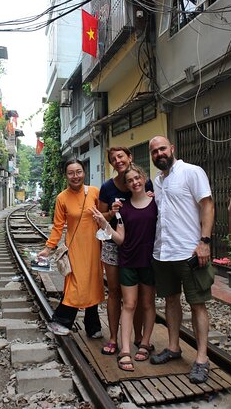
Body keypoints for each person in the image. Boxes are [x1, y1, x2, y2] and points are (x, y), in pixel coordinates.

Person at [148, 136, 215, 385]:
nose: (159, 154)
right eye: (154, 151)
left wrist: (204, 242)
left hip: (190, 251)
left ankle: (201, 358)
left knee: (198, 304)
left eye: (162, 149)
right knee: (171, 300)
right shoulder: (157, 181)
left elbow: (207, 205)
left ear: (172, 149)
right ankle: (173, 347)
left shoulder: (192, 172)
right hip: (164, 252)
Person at [91, 164, 157, 372]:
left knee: (147, 303)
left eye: (137, 178)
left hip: (149, 261)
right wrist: (104, 223)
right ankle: (125, 349)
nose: (135, 183)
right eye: (130, 181)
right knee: (129, 304)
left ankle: (145, 342)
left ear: (144, 178)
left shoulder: (157, 203)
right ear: (126, 185)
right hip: (128, 261)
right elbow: (120, 239)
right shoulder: (123, 208)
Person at [37, 160, 104, 338]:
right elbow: (58, 226)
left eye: (79, 172)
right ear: (66, 176)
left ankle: (92, 325)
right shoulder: (62, 198)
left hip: (95, 247)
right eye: (71, 173)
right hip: (75, 249)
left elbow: (105, 216)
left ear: (84, 173)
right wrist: (48, 248)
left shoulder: (95, 192)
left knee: (93, 283)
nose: (75, 176)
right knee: (76, 285)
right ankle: (60, 321)